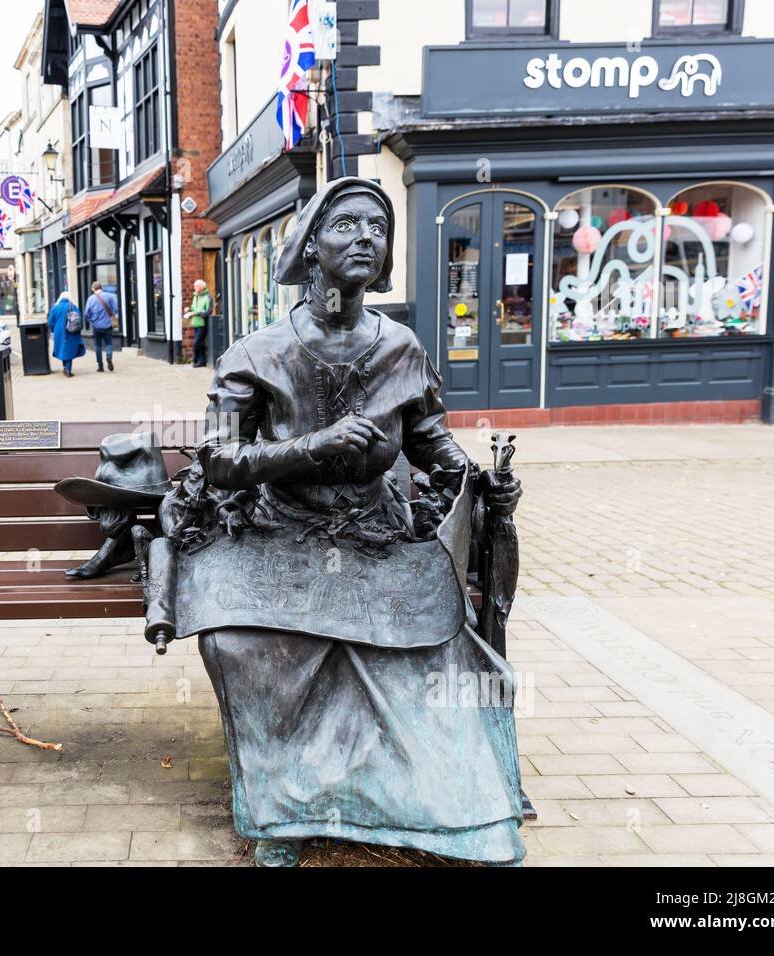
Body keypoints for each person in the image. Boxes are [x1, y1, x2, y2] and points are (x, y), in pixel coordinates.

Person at [149, 177, 526, 867]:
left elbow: (434, 448)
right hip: (279, 533)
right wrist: (307, 451)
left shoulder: (402, 349)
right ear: (311, 247)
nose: (365, 239)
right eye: (347, 225)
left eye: (378, 230)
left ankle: (446, 810)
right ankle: (281, 809)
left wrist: (483, 482)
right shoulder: (258, 352)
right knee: (242, 645)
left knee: (432, 650)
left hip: (375, 534)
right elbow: (219, 459)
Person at [47, 291, 86, 377]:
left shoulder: (55, 308)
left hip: (59, 332)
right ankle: (67, 369)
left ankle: (66, 368)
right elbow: (79, 320)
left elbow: (50, 322)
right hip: (72, 331)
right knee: (69, 350)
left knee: (62, 349)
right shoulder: (73, 307)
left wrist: (54, 330)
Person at [84, 281, 118, 372]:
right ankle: (109, 356)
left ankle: (100, 366)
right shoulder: (110, 296)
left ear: (93, 289)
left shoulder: (90, 299)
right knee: (109, 343)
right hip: (107, 325)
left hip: (96, 326)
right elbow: (115, 309)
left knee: (97, 346)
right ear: (101, 287)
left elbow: (86, 314)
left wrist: (92, 320)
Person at [186, 278, 211, 367]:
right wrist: (189, 309)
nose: (194, 288)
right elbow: (193, 308)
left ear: (201, 287)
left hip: (203, 323)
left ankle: (195, 359)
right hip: (196, 322)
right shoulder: (196, 296)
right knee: (200, 343)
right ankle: (201, 361)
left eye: (196, 286)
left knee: (197, 342)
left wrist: (197, 313)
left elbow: (208, 311)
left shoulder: (207, 296)